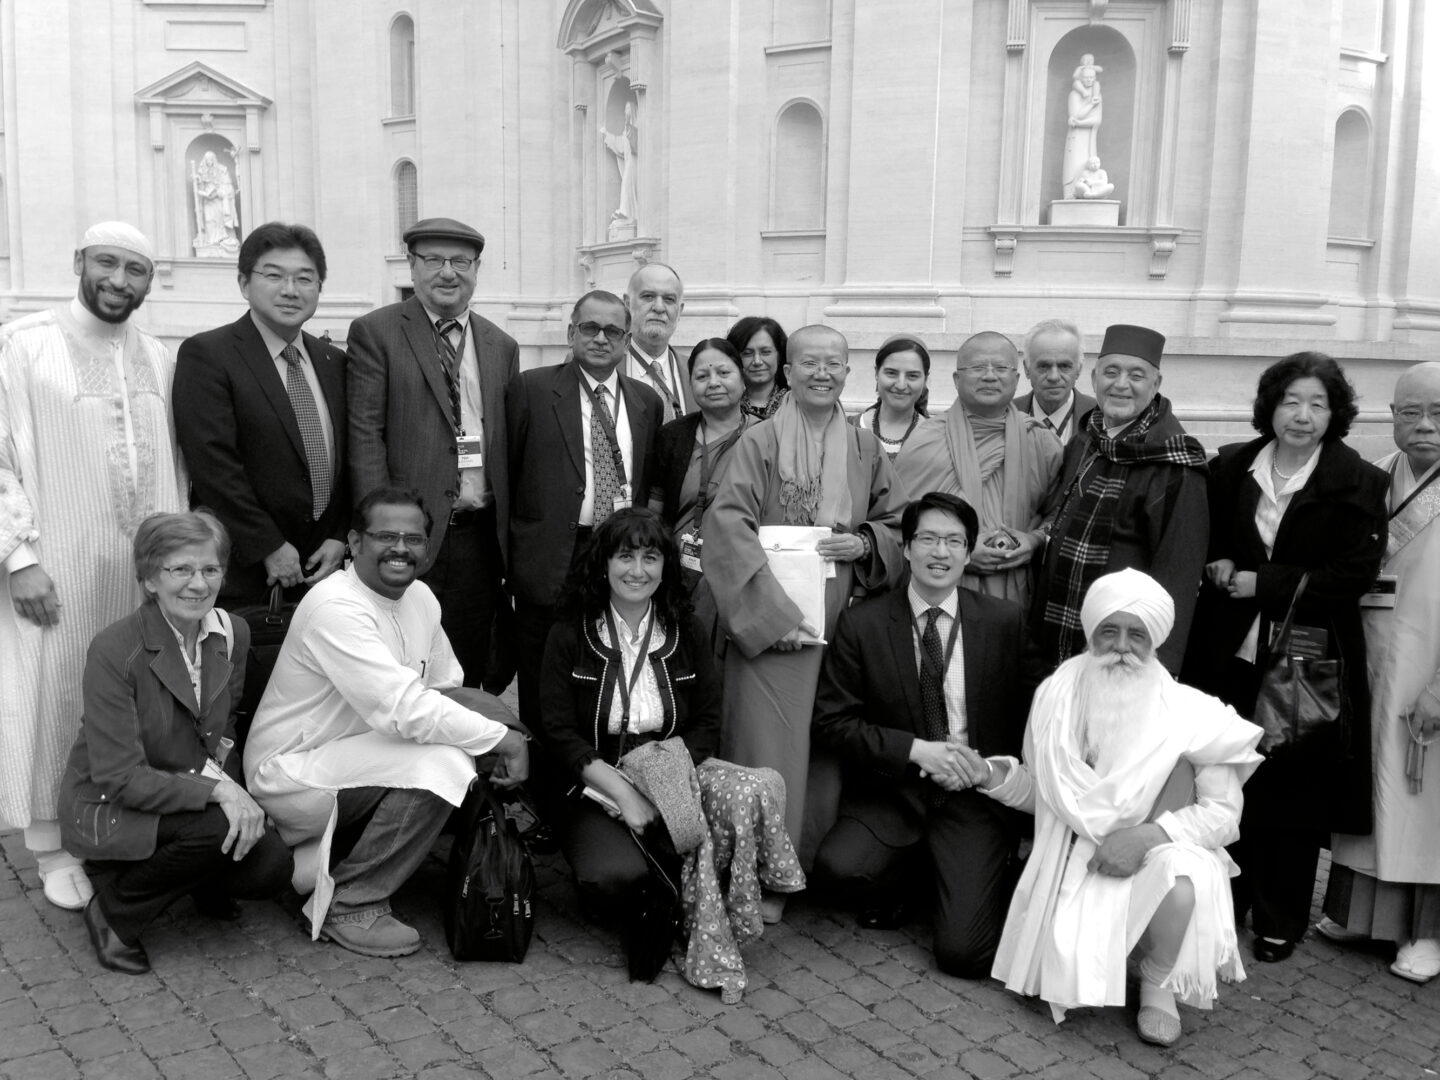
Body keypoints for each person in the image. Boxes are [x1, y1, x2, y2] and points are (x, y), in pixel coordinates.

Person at [244, 487, 530, 957]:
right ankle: (352, 903)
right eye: (386, 536)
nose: (401, 548)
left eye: (414, 538)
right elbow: (405, 710)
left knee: (458, 736)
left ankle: (338, 860)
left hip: (358, 755)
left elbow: (445, 685)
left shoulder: (419, 596)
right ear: (355, 543)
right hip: (291, 774)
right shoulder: (334, 606)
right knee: (442, 759)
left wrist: (502, 734)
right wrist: (502, 740)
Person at [986, 569, 1264, 1046]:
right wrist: (993, 778)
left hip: (1150, 858)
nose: (1122, 646)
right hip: (1074, 863)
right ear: (1090, 635)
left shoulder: (1192, 712)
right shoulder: (1056, 699)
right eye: (1108, 631)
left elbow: (1222, 815)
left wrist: (1146, 837)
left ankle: (1157, 982)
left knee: (1187, 875)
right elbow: (1047, 799)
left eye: (1137, 634)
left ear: (1154, 641)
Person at [0, 221, 185, 912]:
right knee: (56, 693)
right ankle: (52, 843)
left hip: (139, 572)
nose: (119, 280)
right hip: (57, 568)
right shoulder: (25, 346)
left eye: (135, 269)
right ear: (78, 260)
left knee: (130, 698)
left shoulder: (159, 358)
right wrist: (18, 559)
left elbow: (177, 468)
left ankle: (112, 825)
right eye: (106, 263)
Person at [1183, 352, 1387, 964]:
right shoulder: (1232, 465)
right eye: (1291, 402)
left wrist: (1261, 584)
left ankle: (1280, 917)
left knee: (1292, 787)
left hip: (1307, 656)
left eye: (1318, 404)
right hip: (1229, 650)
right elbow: (1212, 535)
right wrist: (1217, 561)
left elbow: (1352, 574)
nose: (1302, 416)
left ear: (1336, 413)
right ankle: (1228, 899)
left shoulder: (1358, 482)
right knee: (1225, 771)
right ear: (1270, 406)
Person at [705, 325, 908, 897]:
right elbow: (726, 525)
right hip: (772, 625)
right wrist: (774, 616)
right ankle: (761, 872)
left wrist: (865, 542)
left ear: (848, 373)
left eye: (834, 363)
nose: (822, 373)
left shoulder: (866, 447)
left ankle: (807, 865)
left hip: (843, 620)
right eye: (809, 363)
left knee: (825, 748)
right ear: (786, 373)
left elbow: (898, 523)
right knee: (768, 747)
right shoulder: (760, 440)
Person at [812, 492, 1044, 976]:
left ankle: (973, 875)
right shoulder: (864, 623)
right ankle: (919, 882)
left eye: (954, 541)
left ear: (969, 550)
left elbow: (1038, 711)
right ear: (908, 547)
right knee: (838, 871)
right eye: (929, 539)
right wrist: (916, 751)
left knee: (964, 956)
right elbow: (833, 723)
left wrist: (989, 771)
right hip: (894, 789)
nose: (941, 552)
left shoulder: (1003, 622)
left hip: (971, 794)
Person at [59, 512, 291, 974]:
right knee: (214, 829)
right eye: (180, 570)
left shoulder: (232, 633)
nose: (198, 584)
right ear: (149, 579)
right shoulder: (113, 649)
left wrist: (227, 781)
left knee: (269, 866)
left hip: (184, 784)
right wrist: (220, 792)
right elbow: (119, 777)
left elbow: (226, 725)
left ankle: (191, 877)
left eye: (210, 569)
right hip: (109, 802)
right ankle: (113, 912)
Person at [348, 217, 517, 690]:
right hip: (408, 535)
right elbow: (365, 434)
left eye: (460, 262)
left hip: (478, 537)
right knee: (399, 661)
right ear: (413, 266)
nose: (448, 272)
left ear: (477, 269)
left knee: (463, 666)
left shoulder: (501, 345)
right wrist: (380, 528)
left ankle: (463, 758)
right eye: (434, 260)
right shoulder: (376, 332)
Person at [534, 508, 720, 918]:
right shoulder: (570, 632)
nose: (638, 571)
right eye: (625, 556)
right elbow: (559, 731)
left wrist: (666, 783)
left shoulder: (687, 631)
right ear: (603, 564)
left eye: (650, 558)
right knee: (614, 878)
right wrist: (623, 792)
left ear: (665, 568)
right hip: (593, 782)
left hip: (670, 770)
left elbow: (708, 721)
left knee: (694, 853)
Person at [1322, 362, 1440, 982]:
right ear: (1390, 416)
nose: (1423, 426)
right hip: (1369, 656)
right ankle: (1362, 915)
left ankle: (1426, 932)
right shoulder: (1373, 479)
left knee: (1424, 802)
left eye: (1439, 414)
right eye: (1410, 412)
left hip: (1429, 670)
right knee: (1367, 787)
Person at [505, 290, 665, 736]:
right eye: (590, 328)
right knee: (542, 673)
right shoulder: (531, 389)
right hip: (550, 555)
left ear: (626, 338)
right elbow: (509, 472)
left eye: (612, 331)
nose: (600, 338)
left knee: (604, 665)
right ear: (571, 332)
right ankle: (540, 785)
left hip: (615, 553)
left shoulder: (645, 401)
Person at [174, 222, 348, 605]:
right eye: (274, 276)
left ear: (319, 287)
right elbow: (213, 464)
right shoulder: (208, 355)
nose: (290, 290)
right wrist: (267, 544)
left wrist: (340, 535)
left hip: (325, 571)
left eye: (305, 278)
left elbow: (350, 458)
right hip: (246, 571)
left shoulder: (334, 361)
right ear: (243, 283)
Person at [1031, 323, 1209, 673]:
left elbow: (1179, 577)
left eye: (1136, 375)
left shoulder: (1176, 465)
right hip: (1057, 633)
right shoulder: (1087, 439)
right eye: (1111, 372)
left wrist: (1159, 669)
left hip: (1125, 650)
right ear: (1095, 378)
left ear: (1156, 384)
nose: (1121, 384)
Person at [896, 332, 1062, 606]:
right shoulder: (925, 439)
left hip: (1018, 595)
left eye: (1000, 368)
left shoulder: (1041, 440)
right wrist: (961, 552)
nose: (989, 376)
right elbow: (899, 521)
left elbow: (1058, 513)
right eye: (977, 368)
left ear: (1017, 379)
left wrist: (1034, 541)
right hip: (937, 593)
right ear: (956, 379)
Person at [650, 338, 747, 606]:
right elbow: (654, 513)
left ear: (743, 379)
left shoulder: (766, 437)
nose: (713, 382)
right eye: (702, 376)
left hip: (743, 575)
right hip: (676, 575)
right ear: (691, 385)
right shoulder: (672, 436)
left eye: (724, 373)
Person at [625, 263, 693, 420]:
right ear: (627, 304)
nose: (659, 307)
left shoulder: (695, 372)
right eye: (648, 296)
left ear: (680, 310)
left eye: (669, 299)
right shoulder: (600, 367)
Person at [1017, 319, 1096, 447]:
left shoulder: (1100, 417)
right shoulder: (1006, 416)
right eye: (1043, 366)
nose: (1053, 377)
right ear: (1027, 368)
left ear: (1079, 369)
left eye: (1064, 366)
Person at [851, 337, 931, 461]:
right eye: (891, 373)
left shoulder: (936, 437)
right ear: (876, 373)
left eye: (912, 376)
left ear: (925, 379)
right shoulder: (848, 429)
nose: (901, 385)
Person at [727, 316, 789, 421]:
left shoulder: (795, 402)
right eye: (747, 353)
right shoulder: (726, 403)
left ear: (779, 355)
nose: (757, 361)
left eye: (765, 352)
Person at [1063, 55, 1104, 199]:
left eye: (1092, 78)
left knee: (1090, 165)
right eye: (1086, 78)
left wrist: (1080, 123)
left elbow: (1096, 119)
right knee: (1074, 166)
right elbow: (1076, 115)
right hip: (1076, 138)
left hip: (1089, 138)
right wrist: (1091, 104)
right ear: (1081, 78)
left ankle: (1089, 192)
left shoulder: (1096, 95)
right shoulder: (1074, 95)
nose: (1090, 80)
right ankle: (1070, 196)